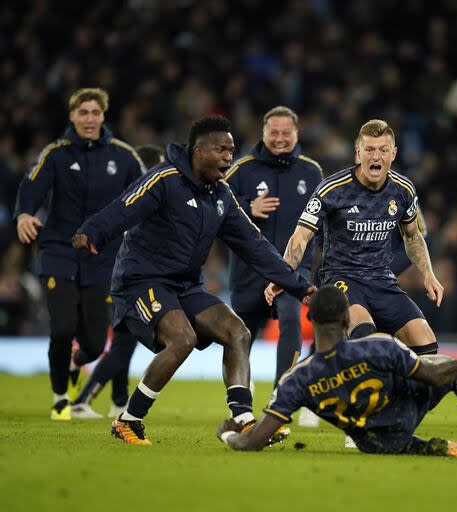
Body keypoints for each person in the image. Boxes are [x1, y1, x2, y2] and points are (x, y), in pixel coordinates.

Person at [73, 116, 316, 445]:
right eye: (221, 150)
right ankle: (129, 420)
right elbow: (125, 206)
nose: (229, 157)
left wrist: (301, 287)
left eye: (231, 150)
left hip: (184, 285)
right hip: (140, 281)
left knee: (237, 331)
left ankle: (243, 419)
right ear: (198, 151)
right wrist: (93, 231)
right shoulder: (164, 179)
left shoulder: (222, 196)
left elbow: (255, 246)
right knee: (182, 338)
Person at [216, 285, 457, 459]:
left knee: (381, 435)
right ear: (347, 320)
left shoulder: (297, 379)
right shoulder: (379, 346)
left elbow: (252, 442)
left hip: (373, 441)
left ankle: (426, 447)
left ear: (311, 322)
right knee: (450, 369)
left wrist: (229, 434)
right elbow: (438, 377)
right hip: (407, 409)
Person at [14, 87, 145, 420]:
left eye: (95, 112)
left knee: (94, 343)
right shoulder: (55, 154)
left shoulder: (125, 156)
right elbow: (31, 185)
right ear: (72, 116)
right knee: (61, 329)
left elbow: (147, 194)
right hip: (59, 251)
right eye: (83, 112)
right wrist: (25, 213)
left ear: (103, 116)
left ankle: (76, 363)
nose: (89, 118)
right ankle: (60, 398)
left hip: (103, 257)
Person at [265, 119, 443, 357]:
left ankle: (401, 394)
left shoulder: (403, 190)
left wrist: (428, 274)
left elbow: (412, 236)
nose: (376, 156)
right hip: (341, 277)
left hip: (382, 280)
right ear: (358, 153)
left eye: (383, 150)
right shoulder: (332, 190)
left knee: (427, 345)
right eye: (369, 149)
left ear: (394, 153)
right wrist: (284, 275)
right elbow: (301, 237)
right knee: (365, 336)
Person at [224, 106, 322, 390]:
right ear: (263, 133)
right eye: (274, 132)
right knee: (239, 337)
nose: (280, 138)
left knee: (291, 318)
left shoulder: (312, 171)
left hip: (292, 270)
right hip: (248, 270)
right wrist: (247, 208)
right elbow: (216, 209)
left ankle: (283, 392)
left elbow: (324, 218)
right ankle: (240, 397)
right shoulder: (241, 170)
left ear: (296, 133)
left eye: (286, 132)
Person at [70, 144, 166, 418]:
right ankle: (83, 400)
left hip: (118, 275)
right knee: (124, 343)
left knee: (125, 341)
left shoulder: (135, 197)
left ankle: (119, 400)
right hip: (124, 277)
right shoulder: (143, 198)